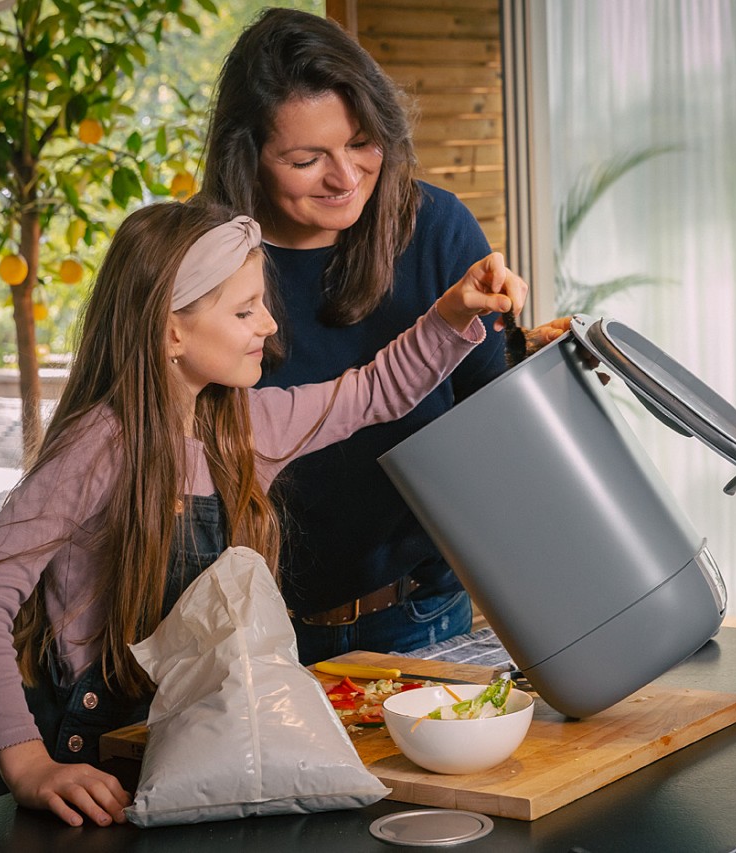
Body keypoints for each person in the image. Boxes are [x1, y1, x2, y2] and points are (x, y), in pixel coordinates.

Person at [0, 199, 540, 827]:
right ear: (172, 332)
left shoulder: (244, 427)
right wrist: (29, 764)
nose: (271, 325)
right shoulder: (99, 445)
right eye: (245, 310)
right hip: (92, 774)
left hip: (189, 752)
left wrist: (456, 309)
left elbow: (373, 390)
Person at [201, 7, 567, 663]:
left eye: (362, 142)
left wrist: (543, 368)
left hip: (422, 614)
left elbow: (496, 415)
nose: (345, 178)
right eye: (308, 158)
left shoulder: (435, 230)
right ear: (248, 158)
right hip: (258, 634)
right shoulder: (208, 264)